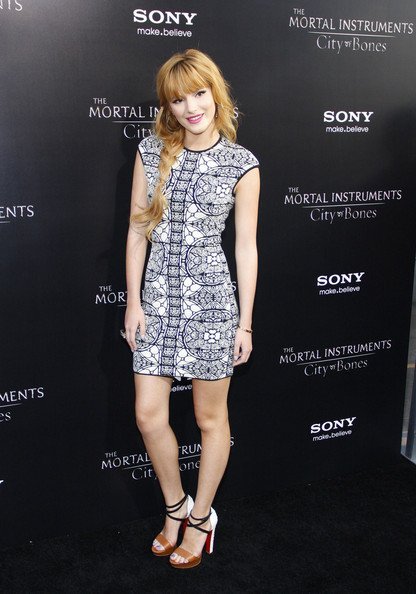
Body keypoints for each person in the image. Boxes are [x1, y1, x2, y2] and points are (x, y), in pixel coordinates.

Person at [121, 48, 260, 569]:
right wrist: (133, 302)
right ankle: (174, 506)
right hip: (156, 300)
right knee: (148, 414)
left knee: (209, 417)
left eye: (199, 94)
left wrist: (245, 323)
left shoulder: (242, 164)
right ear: (168, 106)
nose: (191, 107)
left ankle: (202, 518)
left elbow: (245, 248)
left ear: (215, 93)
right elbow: (137, 230)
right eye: (178, 99)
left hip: (212, 304)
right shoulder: (151, 151)